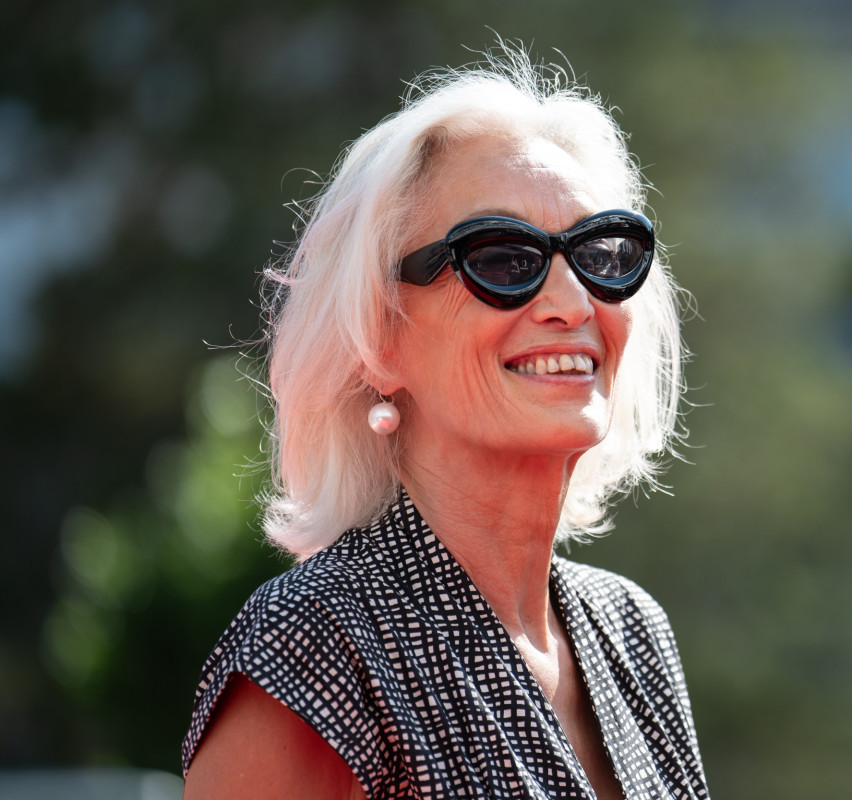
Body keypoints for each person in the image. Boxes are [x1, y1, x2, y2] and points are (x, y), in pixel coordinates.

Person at [181, 50, 707, 800]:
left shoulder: (632, 631)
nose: (572, 302)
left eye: (601, 253)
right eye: (501, 259)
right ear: (378, 334)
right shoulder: (315, 641)